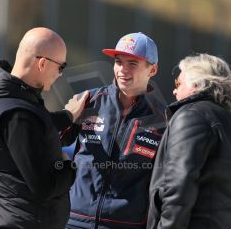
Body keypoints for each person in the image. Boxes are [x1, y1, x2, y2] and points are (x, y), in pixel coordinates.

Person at [0, 27, 89, 229]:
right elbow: (45, 186)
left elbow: (33, 134)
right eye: (61, 67)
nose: (60, 74)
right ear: (42, 63)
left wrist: (68, 116)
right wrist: (69, 167)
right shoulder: (18, 115)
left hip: (3, 218)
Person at [60, 32, 167, 229]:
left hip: (125, 223)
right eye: (118, 62)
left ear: (152, 70)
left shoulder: (164, 120)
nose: (122, 70)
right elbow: (50, 142)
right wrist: (67, 117)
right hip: (74, 220)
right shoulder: (87, 101)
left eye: (132, 64)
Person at [147, 53, 231, 229]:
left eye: (178, 83)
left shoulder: (191, 115)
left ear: (197, 85)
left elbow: (178, 188)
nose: (174, 90)